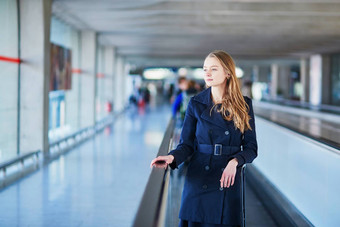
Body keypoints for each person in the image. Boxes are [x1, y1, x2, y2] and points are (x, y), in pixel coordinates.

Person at [150, 50, 258, 227]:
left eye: (214, 69)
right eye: (205, 69)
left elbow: (251, 147)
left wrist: (235, 162)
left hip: (227, 179)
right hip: (200, 178)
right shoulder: (196, 103)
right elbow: (187, 144)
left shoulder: (244, 105)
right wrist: (172, 157)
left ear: (228, 73)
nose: (207, 73)